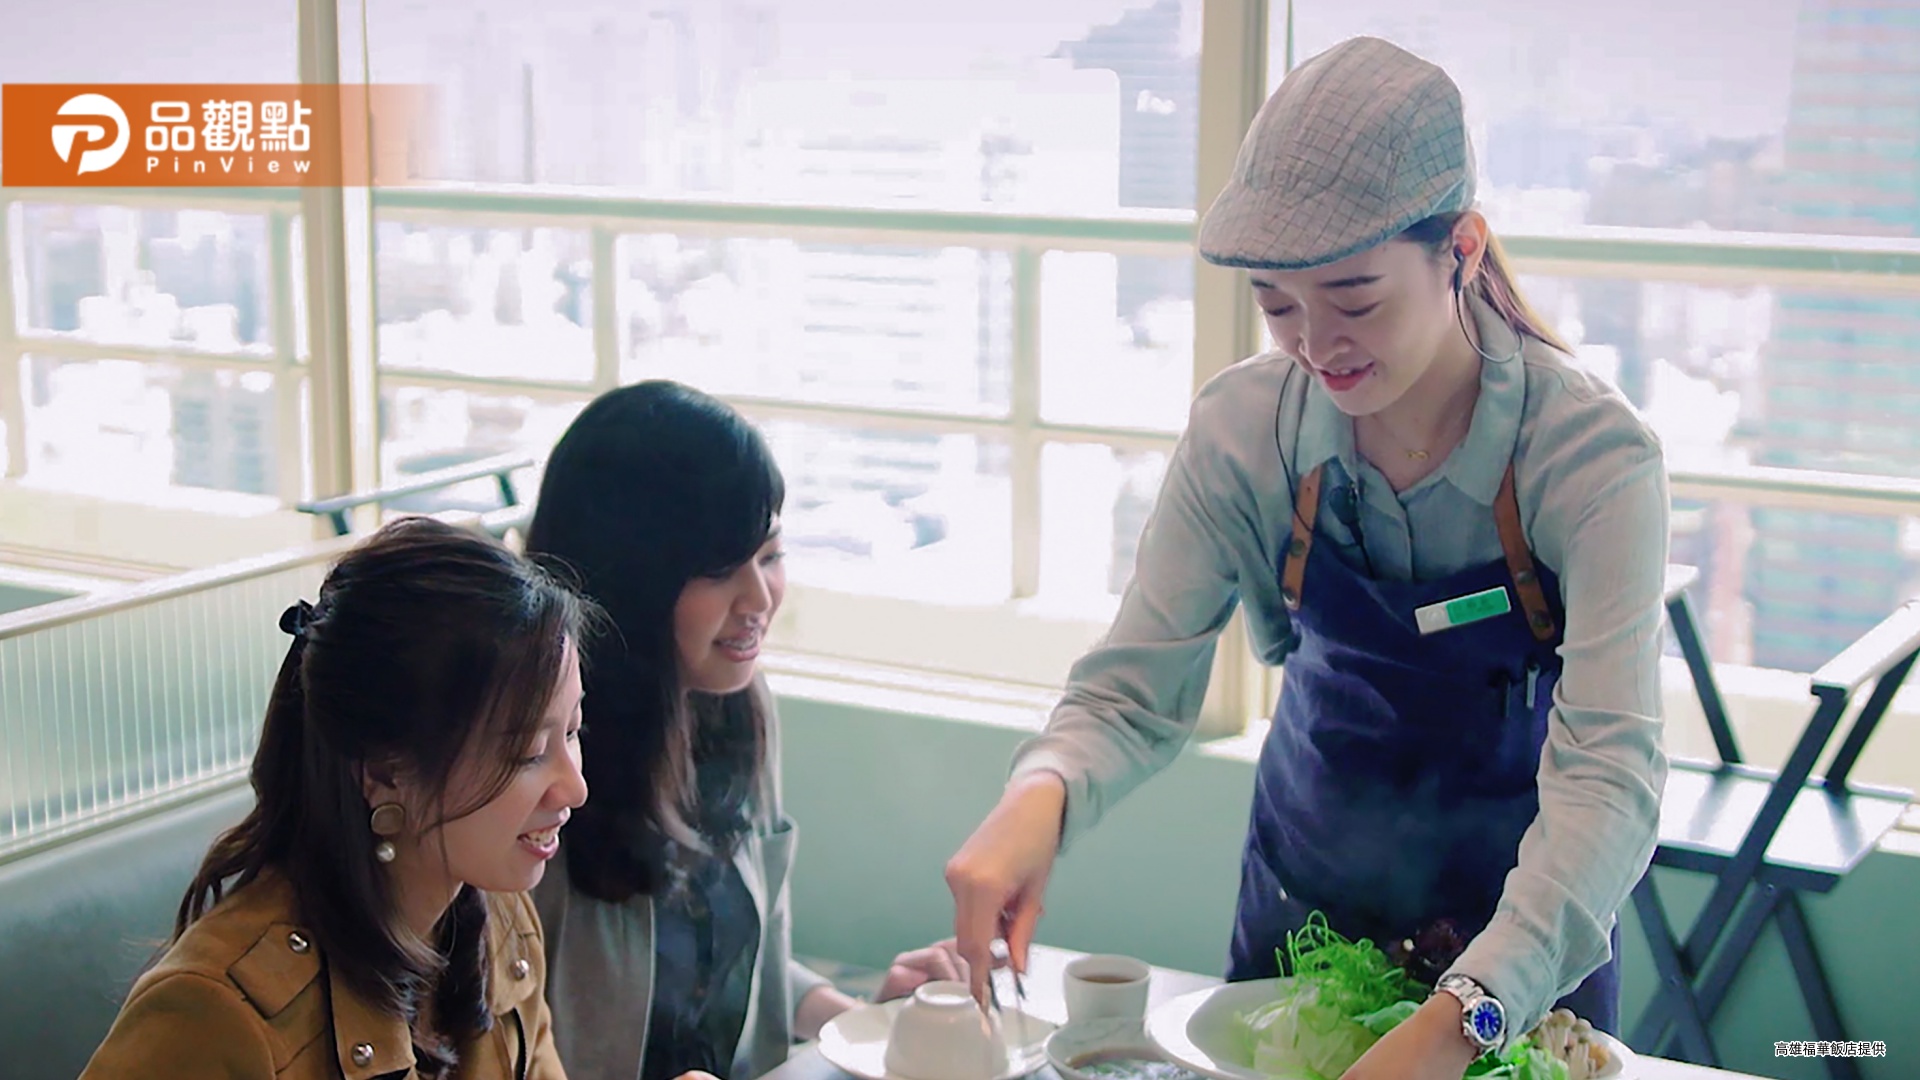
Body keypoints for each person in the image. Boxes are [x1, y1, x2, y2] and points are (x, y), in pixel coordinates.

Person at [944, 36, 1669, 1080]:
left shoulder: (1592, 459)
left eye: (1355, 299)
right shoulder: (1245, 428)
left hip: (1524, 950)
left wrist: (1466, 1015)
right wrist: (1040, 797)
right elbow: (1136, 687)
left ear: (1461, 249)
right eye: (1277, 304)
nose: (1315, 343)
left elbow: (1612, 776)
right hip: (1300, 922)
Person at [524, 381, 967, 1080]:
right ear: (632, 577)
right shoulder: (533, 768)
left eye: (770, 556)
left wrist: (859, 1018)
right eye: (721, 569)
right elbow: (479, 1036)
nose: (760, 600)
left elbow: (720, 955)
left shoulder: (735, 708)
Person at [77, 517, 595, 1080]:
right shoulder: (218, 1016)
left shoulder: (500, 922)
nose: (575, 787)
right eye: (527, 752)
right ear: (385, 772)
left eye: (572, 731)